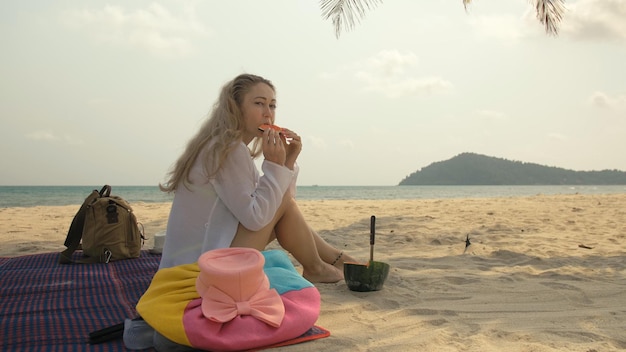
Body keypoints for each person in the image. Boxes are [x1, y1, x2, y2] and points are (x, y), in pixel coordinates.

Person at [158, 73, 356, 283]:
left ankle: (331, 262)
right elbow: (257, 218)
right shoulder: (227, 150)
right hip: (202, 270)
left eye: (272, 106)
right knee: (281, 202)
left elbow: (276, 208)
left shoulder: (227, 147)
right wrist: (275, 166)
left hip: (203, 258)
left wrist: (287, 161)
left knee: (282, 202)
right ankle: (320, 266)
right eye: (259, 104)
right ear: (236, 108)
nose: (267, 114)